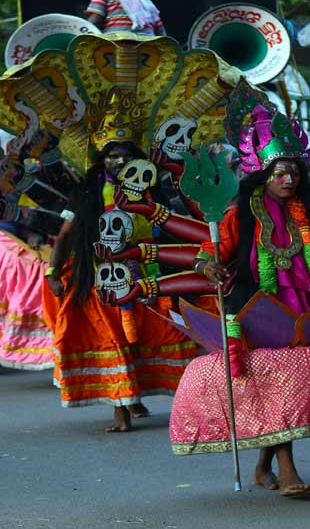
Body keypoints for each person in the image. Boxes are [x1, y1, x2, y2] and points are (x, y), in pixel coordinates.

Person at [168, 105, 310, 497]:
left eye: (294, 173)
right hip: (260, 313)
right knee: (280, 381)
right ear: (262, 177)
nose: (288, 179)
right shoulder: (239, 217)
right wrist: (210, 269)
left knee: (294, 384)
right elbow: (208, 253)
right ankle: (287, 471)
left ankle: (264, 467)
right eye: (278, 174)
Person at [44, 139, 198, 432]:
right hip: (100, 281)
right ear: (101, 161)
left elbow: (171, 229)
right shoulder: (86, 193)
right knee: (113, 341)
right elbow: (64, 236)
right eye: (111, 157)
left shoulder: (151, 191)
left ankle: (146, 398)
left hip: (147, 279)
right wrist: (53, 273)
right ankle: (121, 409)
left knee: (156, 338)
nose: (118, 162)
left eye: (125, 158)